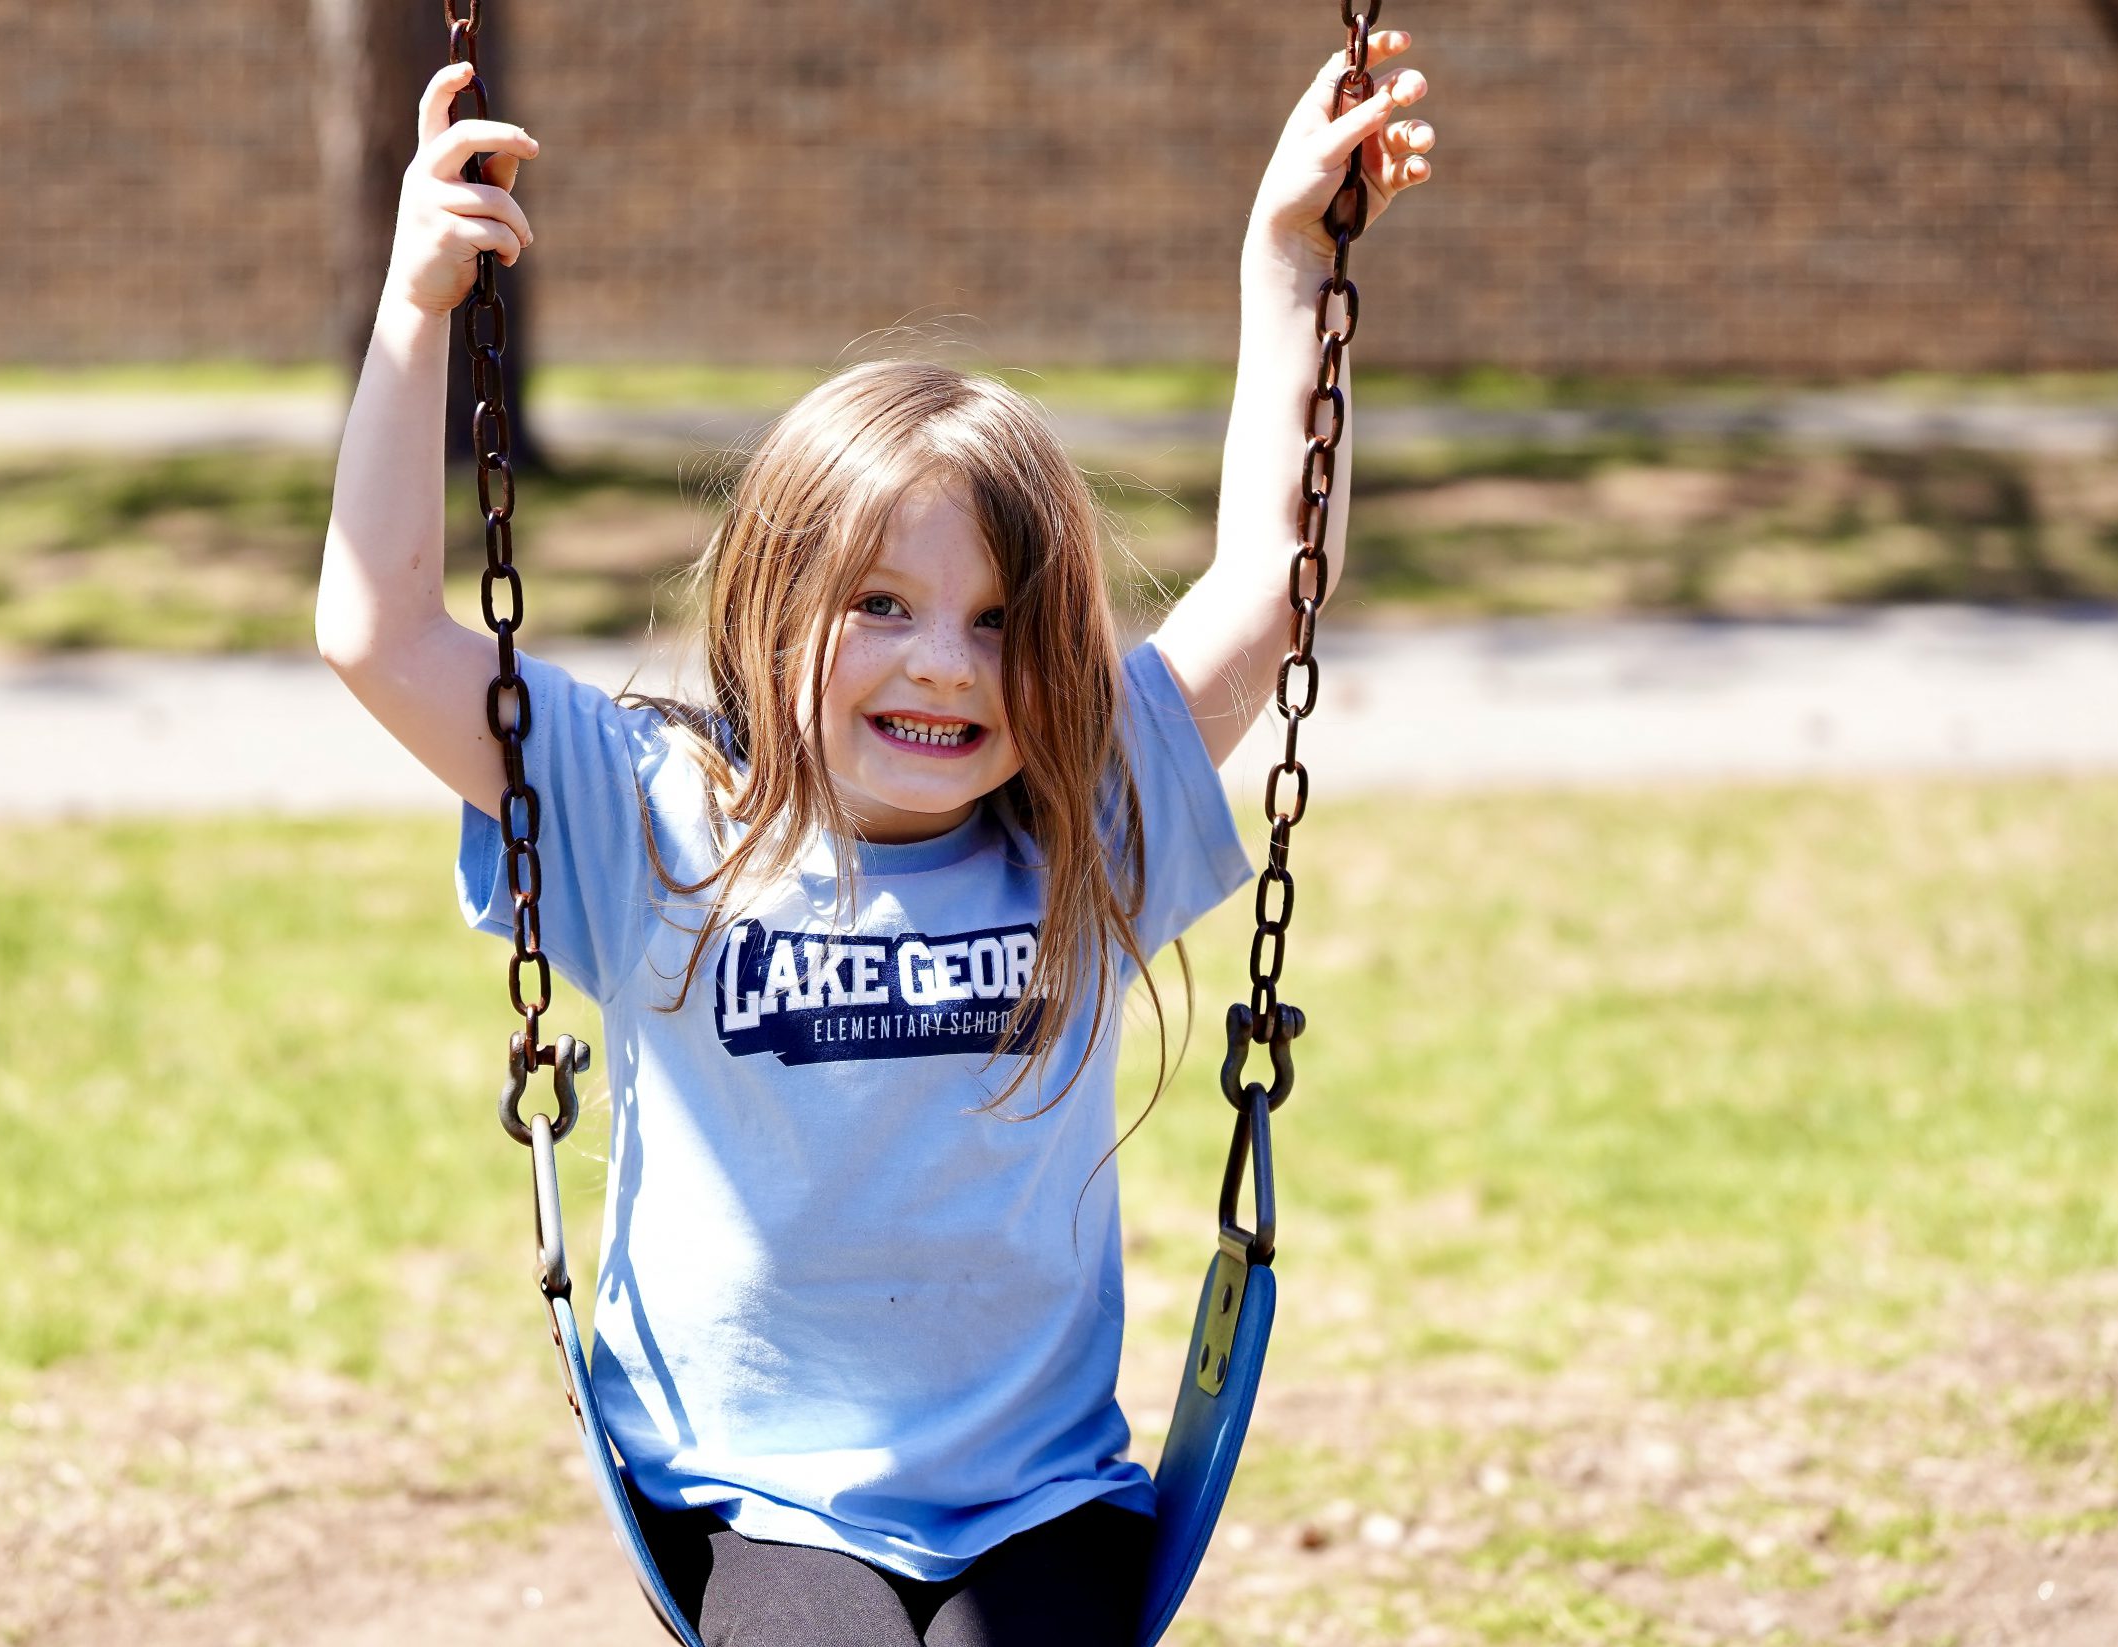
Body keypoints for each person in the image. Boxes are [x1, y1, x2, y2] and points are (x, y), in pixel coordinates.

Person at [315, 30, 1434, 1647]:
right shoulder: (653, 820)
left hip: (1037, 1495)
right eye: (885, 607)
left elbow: (1272, 588)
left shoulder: (1083, 815)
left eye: (996, 622)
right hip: (759, 1497)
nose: (943, 665)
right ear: (774, 609)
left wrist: (1286, 259)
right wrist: (418, 311)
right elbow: (380, 630)